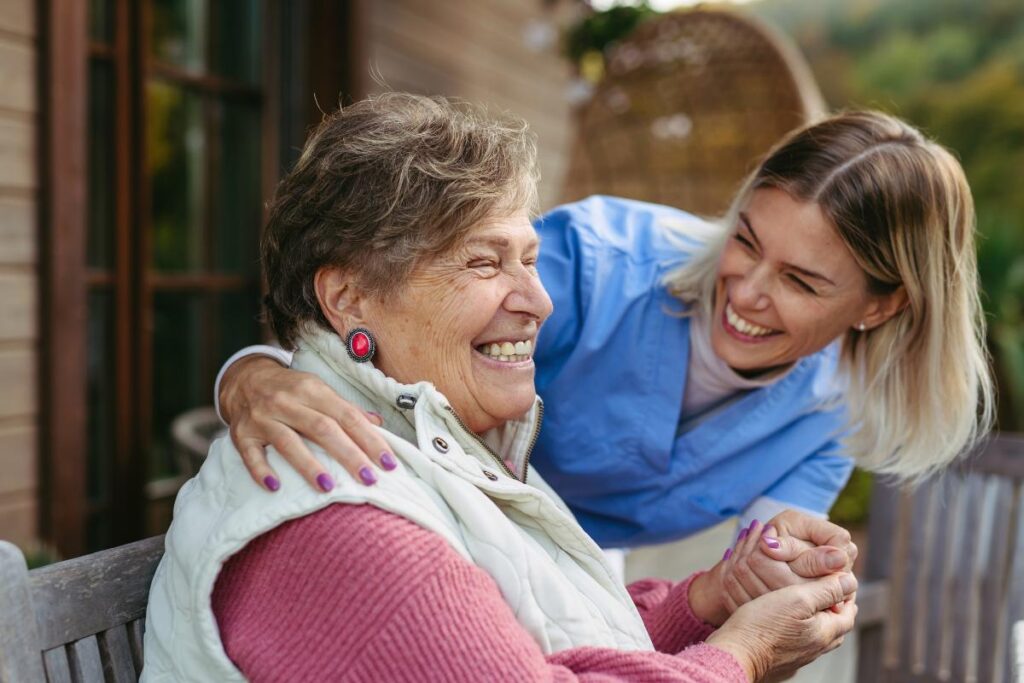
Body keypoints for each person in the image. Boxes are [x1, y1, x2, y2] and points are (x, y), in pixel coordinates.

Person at [142, 93, 857, 682]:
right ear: (351, 298)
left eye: (530, 259)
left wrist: (710, 601)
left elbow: (537, 639)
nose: (540, 301)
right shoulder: (343, 507)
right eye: (485, 262)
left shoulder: (430, 442)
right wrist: (742, 654)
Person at [215, 109, 994, 547]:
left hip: (565, 585)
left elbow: (757, 575)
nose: (746, 292)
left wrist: (785, 576)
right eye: (746, 240)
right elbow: (383, 330)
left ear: (880, 305)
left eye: (800, 281)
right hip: (422, 537)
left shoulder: (834, 409)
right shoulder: (594, 264)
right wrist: (251, 374)